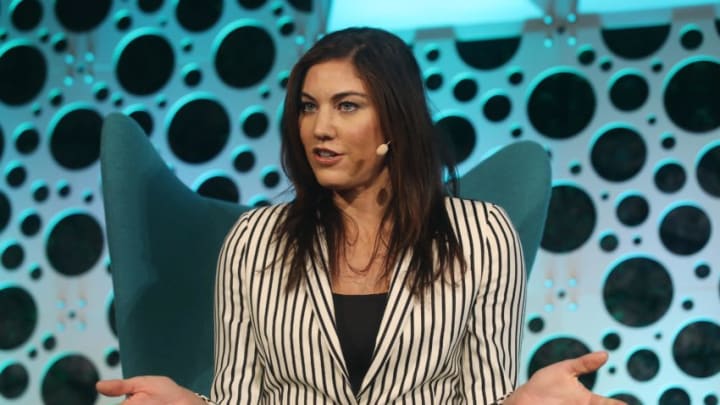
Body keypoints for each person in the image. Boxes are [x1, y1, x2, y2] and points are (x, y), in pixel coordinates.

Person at [97, 27, 625, 404]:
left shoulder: (481, 235)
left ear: (395, 120)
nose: (319, 127)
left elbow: (484, 397)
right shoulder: (252, 241)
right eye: (308, 106)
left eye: (346, 105)